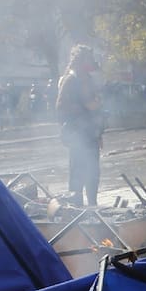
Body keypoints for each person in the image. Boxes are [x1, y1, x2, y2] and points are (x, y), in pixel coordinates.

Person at [55, 44, 104, 206]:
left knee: (93, 175)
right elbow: (60, 108)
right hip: (77, 135)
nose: (92, 61)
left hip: (91, 135)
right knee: (77, 176)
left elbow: (96, 108)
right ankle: (76, 212)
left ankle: (92, 207)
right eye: (88, 58)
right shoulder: (70, 80)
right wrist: (84, 107)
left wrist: (99, 132)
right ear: (80, 60)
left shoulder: (89, 80)